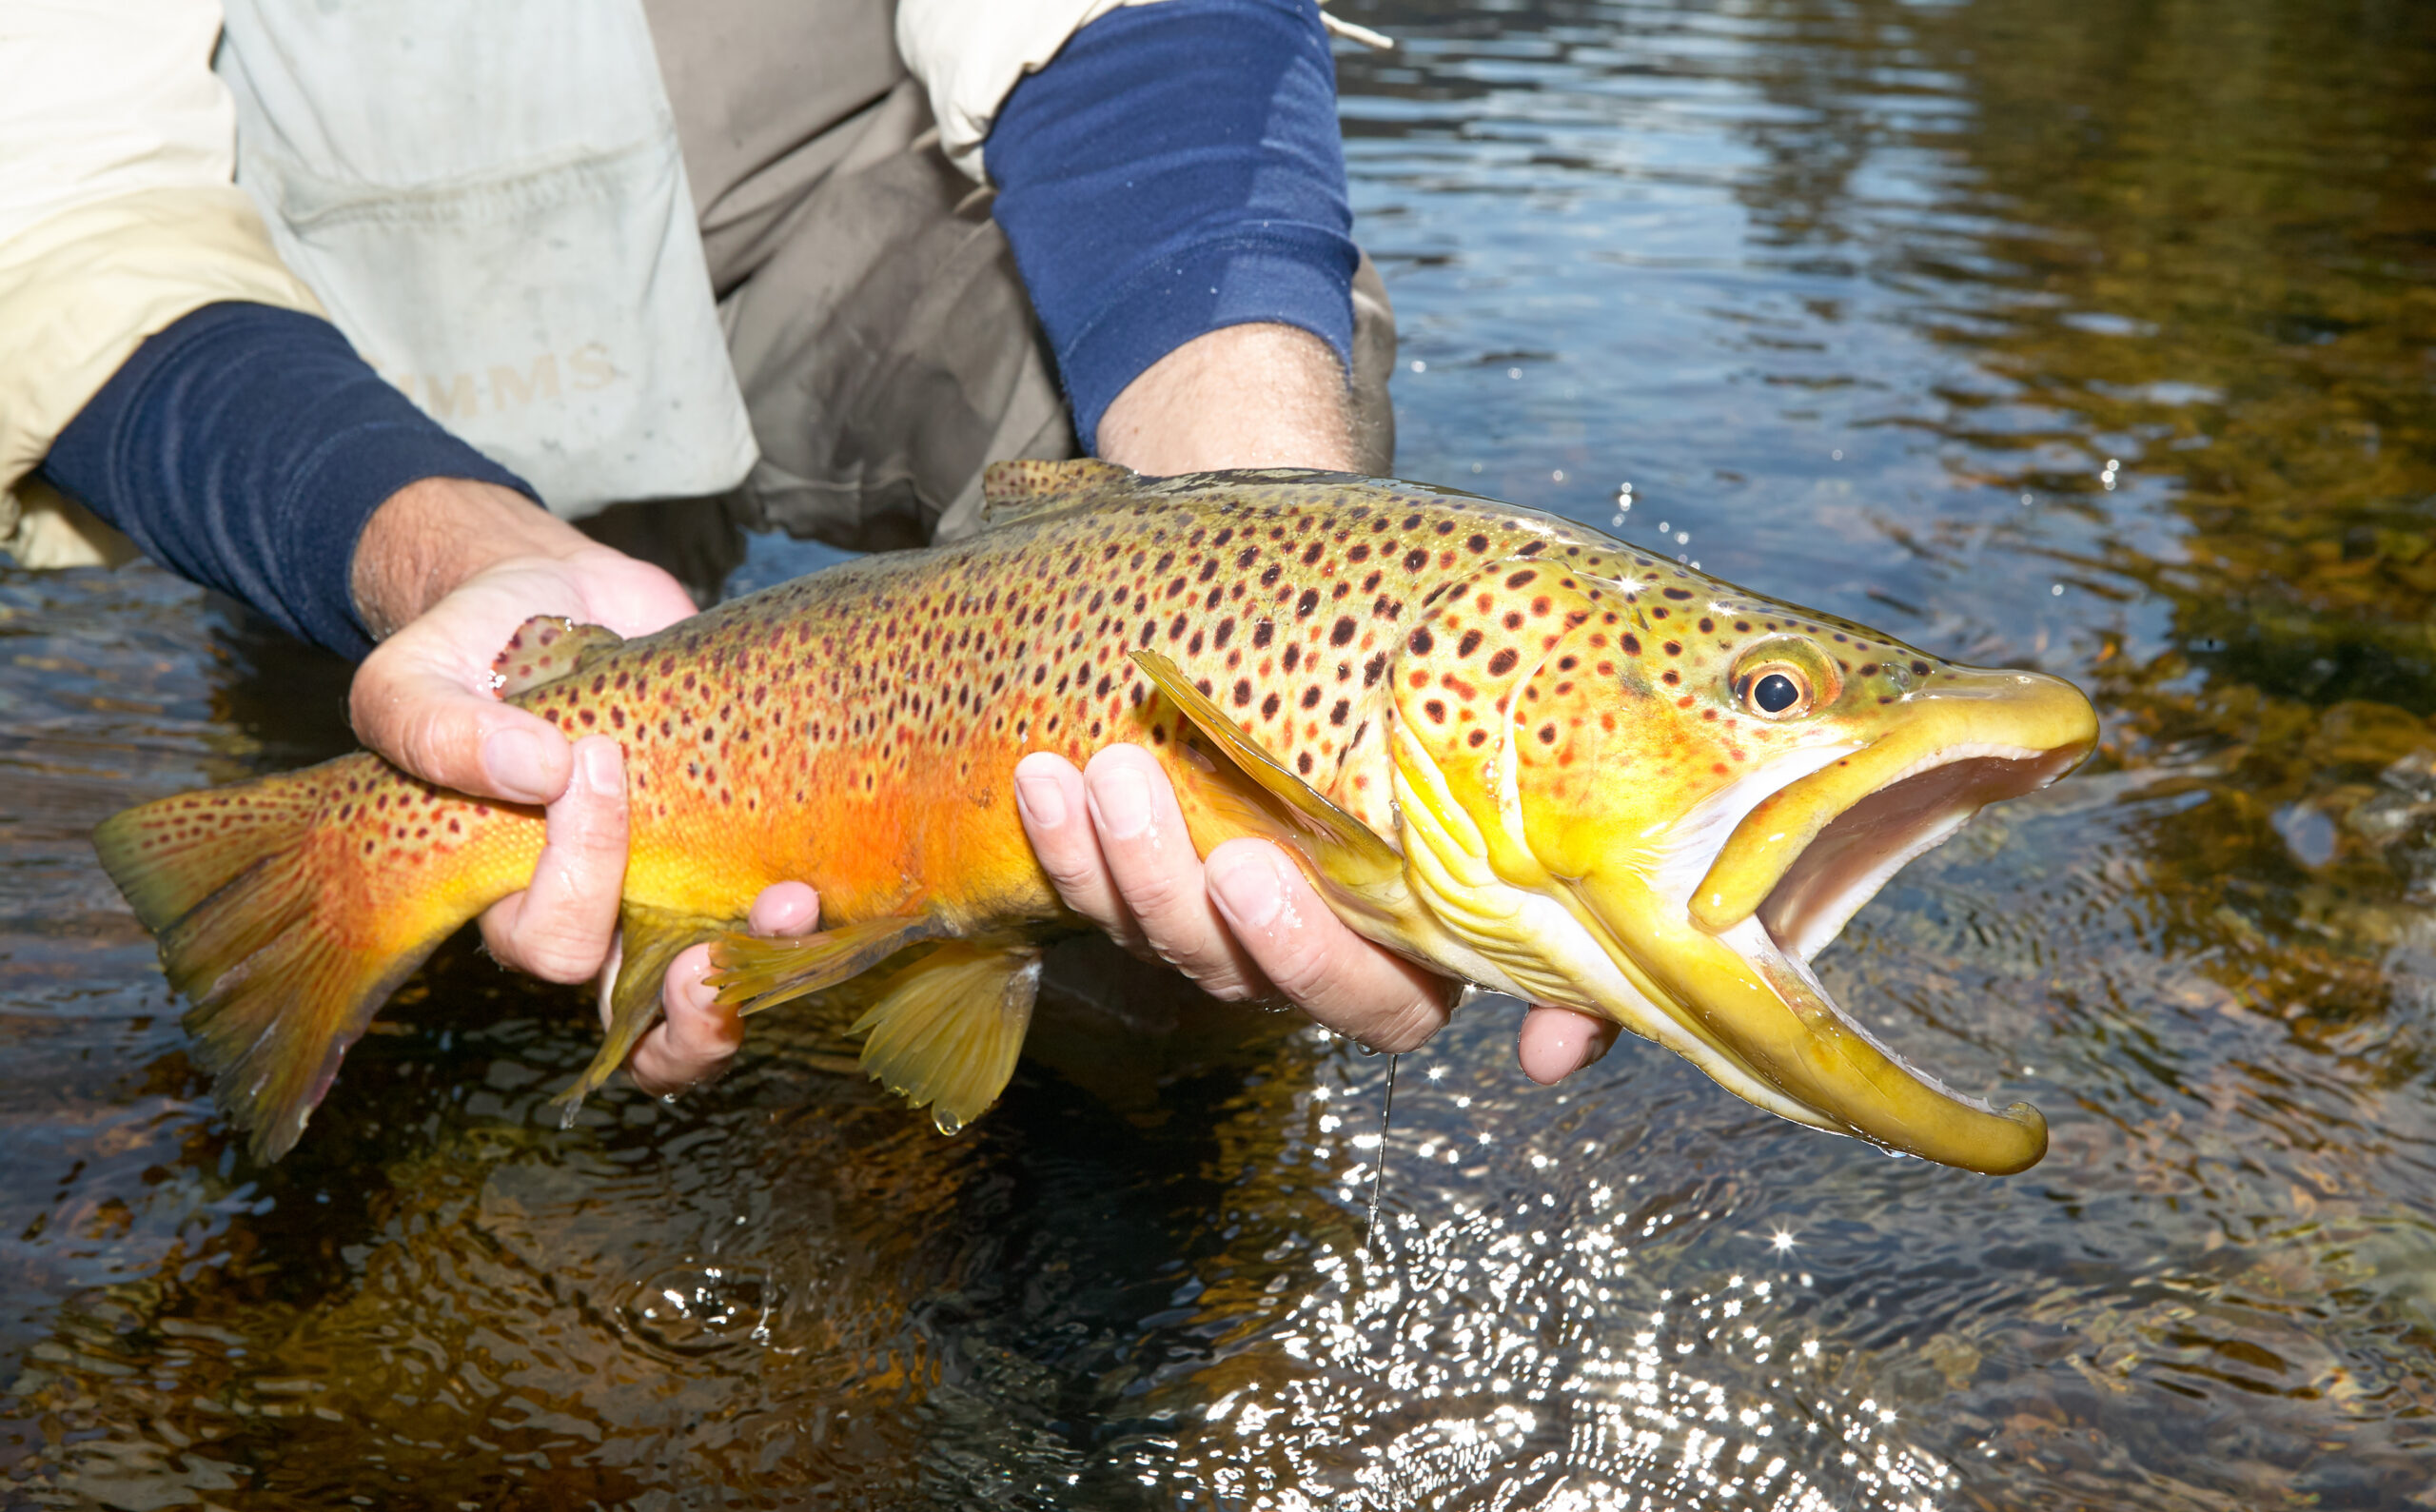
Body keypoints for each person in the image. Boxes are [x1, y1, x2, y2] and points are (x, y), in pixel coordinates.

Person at [3, 0, 1612, 1104]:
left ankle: (1127, 1093)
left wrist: (1265, 550)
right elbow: (66, 219)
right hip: (342, 323)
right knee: (459, 801)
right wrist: (421, 550)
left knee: (1278, 438)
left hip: (878, 179)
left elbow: (1132, 28)